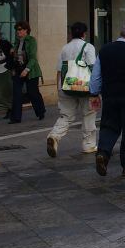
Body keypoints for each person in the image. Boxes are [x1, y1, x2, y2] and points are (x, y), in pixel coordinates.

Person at [89, 23, 125, 176]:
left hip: (110, 95)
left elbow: (96, 75)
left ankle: (103, 153)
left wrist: (94, 94)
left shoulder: (105, 50)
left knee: (108, 126)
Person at [47, 22, 98, 157]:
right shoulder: (88, 47)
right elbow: (93, 68)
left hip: (66, 86)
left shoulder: (65, 48)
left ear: (71, 34)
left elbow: (59, 70)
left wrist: (59, 88)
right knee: (89, 114)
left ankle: (54, 135)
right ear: (83, 34)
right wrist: (96, 89)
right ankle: (89, 144)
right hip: (85, 87)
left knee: (66, 115)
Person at [10, 21, 46, 124]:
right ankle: (16, 118)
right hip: (18, 69)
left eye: (20, 29)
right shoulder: (16, 42)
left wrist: (26, 70)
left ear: (26, 30)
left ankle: (40, 111)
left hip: (31, 70)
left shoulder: (31, 40)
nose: (18, 32)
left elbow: (33, 58)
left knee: (32, 92)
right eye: (17, 30)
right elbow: (15, 59)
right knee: (16, 93)